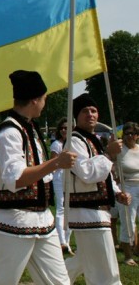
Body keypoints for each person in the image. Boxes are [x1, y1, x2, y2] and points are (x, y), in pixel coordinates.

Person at [0, 70, 76, 285]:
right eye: (44, 98)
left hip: (43, 220)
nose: (45, 103)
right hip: (15, 219)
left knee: (59, 282)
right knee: (2, 281)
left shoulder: (30, 129)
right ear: (35, 100)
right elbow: (15, 180)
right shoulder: (9, 133)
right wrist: (56, 163)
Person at [64, 93, 132, 284]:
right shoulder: (74, 140)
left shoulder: (93, 140)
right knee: (106, 268)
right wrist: (108, 155)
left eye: (93, 111)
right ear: (76, 116)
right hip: (87, 212)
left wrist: (117, 193)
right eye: (85, 111)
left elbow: (105, 175)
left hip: (99, 212)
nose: (90, 114)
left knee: (84, 261)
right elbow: (87, 173)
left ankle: (51, 281)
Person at [49, 117, 73, 254]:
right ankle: (61, 241)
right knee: (61, 209)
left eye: (67, 128)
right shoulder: (56, 145)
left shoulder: (74, 144)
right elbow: (52, 164)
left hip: (72, 179)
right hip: (59, 179)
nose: (64, 130)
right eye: (62, 128)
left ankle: (67, 242)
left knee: (71, 210)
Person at [117, 122, 139, 266]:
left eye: (133, 133)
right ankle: (127, 256)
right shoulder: (119, 149)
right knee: (128, 222)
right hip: (127, 188)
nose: (130, 136)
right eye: (127, 133)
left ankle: (137, 249)